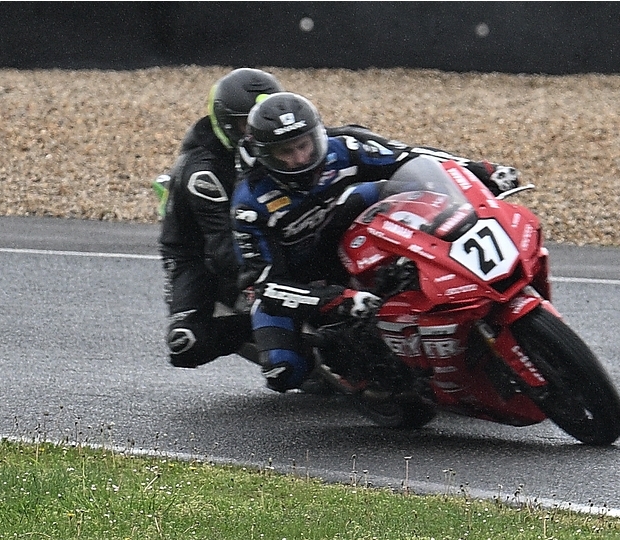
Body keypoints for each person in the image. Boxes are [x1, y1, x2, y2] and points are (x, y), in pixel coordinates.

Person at [231, 92, 521, 392]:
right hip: (302, 278)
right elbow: (265, 287)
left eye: (304, 145)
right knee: (284, 371)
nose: (301, 158)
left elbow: (411, 156)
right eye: (286, 152)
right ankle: (331, 359)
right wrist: (337, 300)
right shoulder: (250, 204)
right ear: (266, 155)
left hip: (353, 241)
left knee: (384, 189)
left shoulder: (343, 148)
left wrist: (481, 172)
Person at [157, 68, 282, 369]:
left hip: (262, 222)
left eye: (263, 121)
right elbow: (225, 249)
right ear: (227, 123)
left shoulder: (278, 140)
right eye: (246, 124)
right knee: (187, 344)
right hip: (200, 254)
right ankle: (253, 329)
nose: (256, 132)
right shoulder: (204, 174)